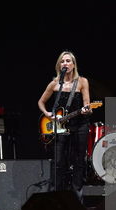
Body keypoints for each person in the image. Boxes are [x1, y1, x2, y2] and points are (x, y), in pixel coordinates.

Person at [38, 51, 92, 200]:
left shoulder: (82, 82)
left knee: (79, 161)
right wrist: (48, 114)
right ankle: (56, 197)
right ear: (59, 65)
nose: (65, 64)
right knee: (58, 162)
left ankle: (76, 197)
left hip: (80, 124)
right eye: (62, 62)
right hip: (61, 127)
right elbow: (41, 102)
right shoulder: (55, 84)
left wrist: (86, 109)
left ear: (73, 65)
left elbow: (87, 104)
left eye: (68, 61)